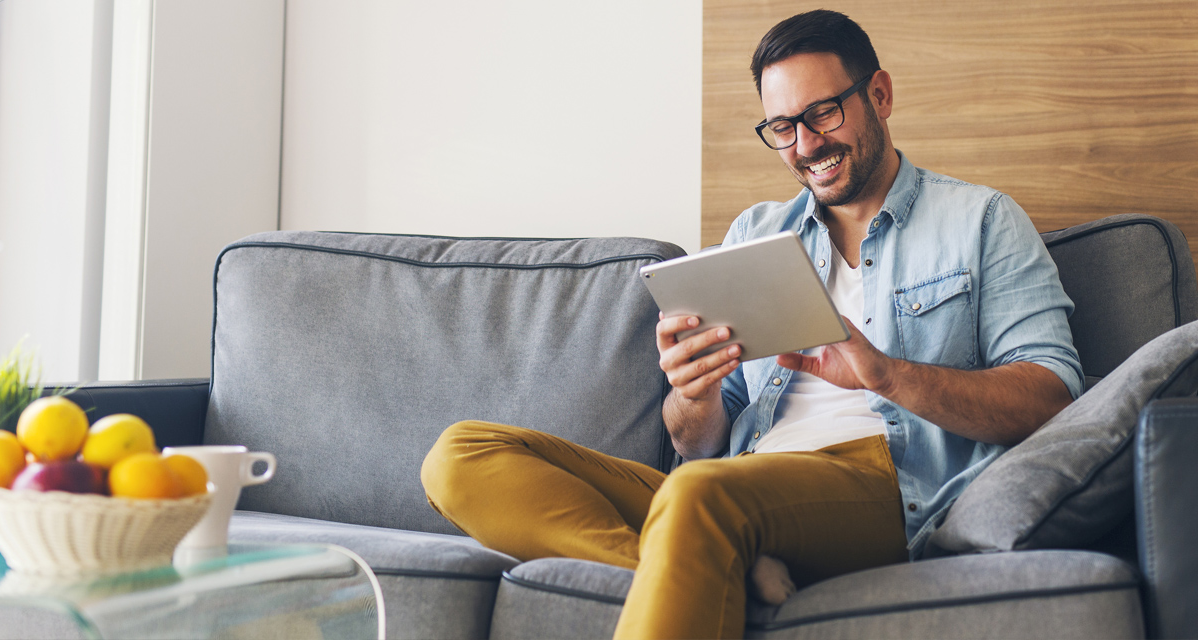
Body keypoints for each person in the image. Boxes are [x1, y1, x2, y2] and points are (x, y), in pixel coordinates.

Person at [421, 9, 1082, 639]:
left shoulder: (981, 221)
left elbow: (1052, 398)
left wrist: (887, 376)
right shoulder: (758, 234)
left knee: (703, 497)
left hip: (883, 485)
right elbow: (699, 444)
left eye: (823, 112)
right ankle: (710, 562)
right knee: (462, 456)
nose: (806, 144)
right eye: (783, 127)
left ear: (878, 94)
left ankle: (707, 549)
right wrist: (694, 392)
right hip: (735, 480)